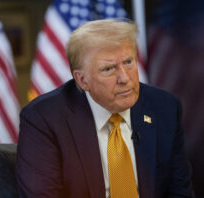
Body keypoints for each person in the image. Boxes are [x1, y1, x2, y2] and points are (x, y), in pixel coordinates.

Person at [16, 19, 194, 198]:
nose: (124, 78)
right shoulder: (44, 119)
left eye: (128, 62)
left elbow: (180, 192)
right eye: (109, 69)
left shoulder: (164, 107)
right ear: (82, 80)